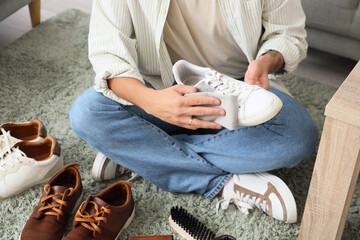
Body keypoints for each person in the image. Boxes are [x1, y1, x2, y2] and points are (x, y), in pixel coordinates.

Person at [70, 0, 318, 224]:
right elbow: (108, 55)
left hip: (241, 91)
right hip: (161, 89)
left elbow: (287, 32)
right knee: (88, 113)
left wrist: (265, 62)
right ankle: (221, 183)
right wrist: (152, 101)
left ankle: (137, 151)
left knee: (297, 136)